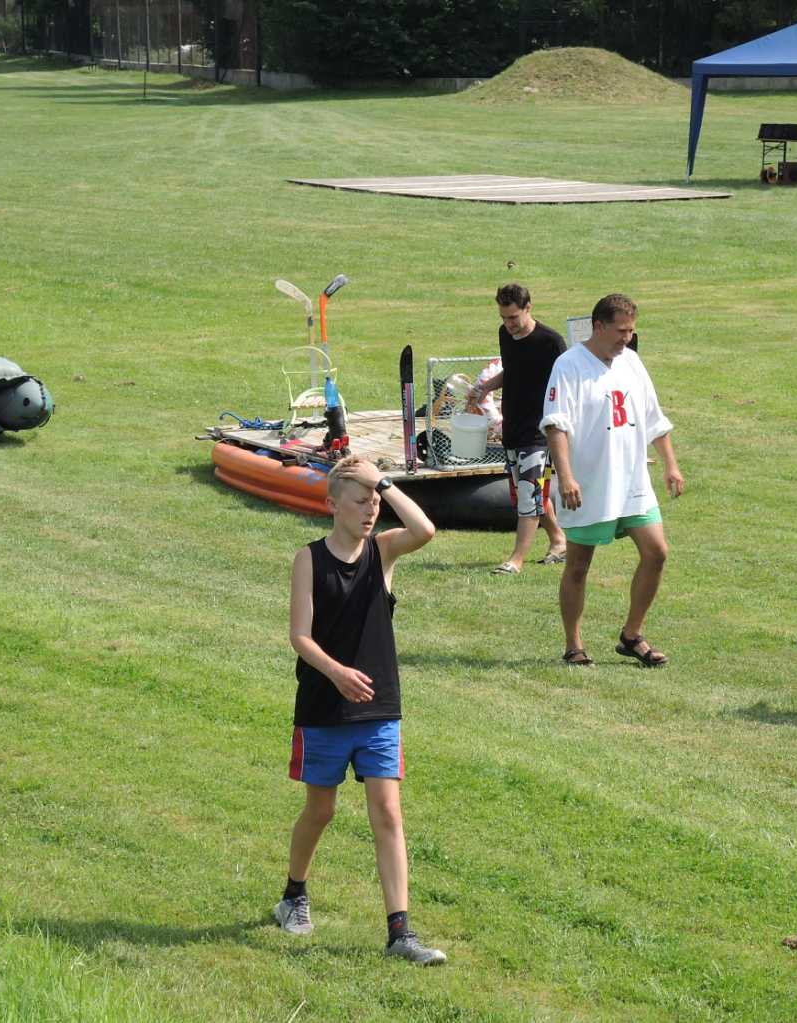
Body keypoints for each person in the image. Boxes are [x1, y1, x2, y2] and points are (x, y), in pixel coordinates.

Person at [276, 456, 446, 965]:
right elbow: (299, 636)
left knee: (388, 813)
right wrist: (337, 672)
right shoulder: (308, 559)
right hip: (325, 707)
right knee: (321, 810)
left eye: (374, 501)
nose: (370, 510)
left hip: (379, 710)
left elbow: (426, 529)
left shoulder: (384, 552)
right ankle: (293, 896)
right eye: (360, 500)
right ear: (331, 505)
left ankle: (400, 933)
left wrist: (384, 481)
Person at [540, 293, 684, 668]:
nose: (627, 338)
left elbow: (655, 418)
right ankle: (574, 645)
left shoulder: (632, 363)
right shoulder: (568, 366)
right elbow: (556, 425)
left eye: (632, 331)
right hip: (588, 484)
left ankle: (631, 635)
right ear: (599, 327)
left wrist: (671, 464)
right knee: (578, 565)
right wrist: (566, 476)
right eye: (621, 331)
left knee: (657, 553)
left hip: (633, 482)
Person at [469, 283, 567, 575]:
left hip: (540, 433)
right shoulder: (506, 335)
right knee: (530, 493)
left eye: (513, 317)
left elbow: (566, 385)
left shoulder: (551, 342)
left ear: (528, 308)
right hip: (513, 427)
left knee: (528, 494)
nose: (508, 324)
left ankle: (516, 559)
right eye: (503, 318)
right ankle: (559, 540)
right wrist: (485, 387)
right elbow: (512, 370)